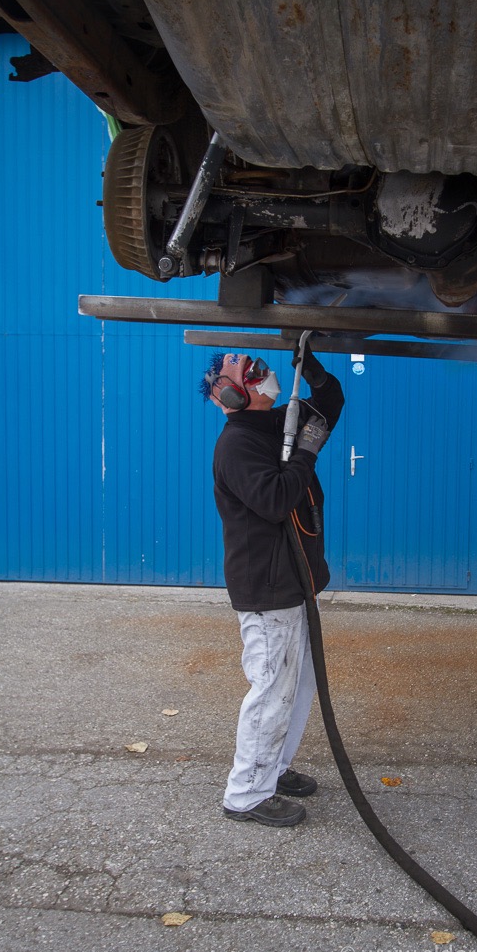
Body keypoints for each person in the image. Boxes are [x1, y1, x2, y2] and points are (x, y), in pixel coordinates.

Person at [202, 345, 344, 827]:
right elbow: (276, 498)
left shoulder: (276, 421)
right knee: (271, 689)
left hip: (294, 580)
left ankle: (273, 768)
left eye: (260, 365)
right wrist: (306, 451)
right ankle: (246, 794)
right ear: (230, 393)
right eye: (248, 370)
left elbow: (329, 405)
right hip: (267, 589)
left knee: (296, 686)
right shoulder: (237, 444)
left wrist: (314, 366)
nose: (259, 370)